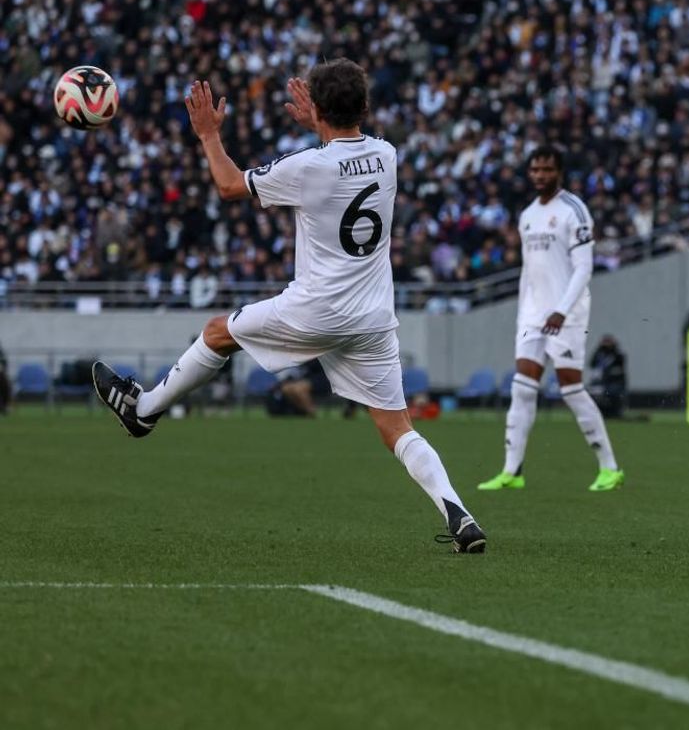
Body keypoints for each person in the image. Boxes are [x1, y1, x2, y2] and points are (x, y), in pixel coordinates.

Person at [90, 60, 485, 553]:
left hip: (316, 311)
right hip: (373, 318)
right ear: (364, 106)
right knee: (397, 427)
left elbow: (230, 184)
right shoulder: (387, 154)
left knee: (217, 332)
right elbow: (347, 155)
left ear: (317, 108)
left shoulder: (307, 166)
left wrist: (209, 134)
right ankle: (458, 512)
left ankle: (143, 410)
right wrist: (322, 124)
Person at [478, 146, 625, 492]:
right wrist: (524, 312)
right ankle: (512, 472)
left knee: (571, 388)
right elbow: (529, 271)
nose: (540, 175)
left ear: (559, 172)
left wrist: (561, 309)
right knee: (522, 388)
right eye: (535, 170)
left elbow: (584, 267)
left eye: (546, 169)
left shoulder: (574, 210)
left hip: (568, 313)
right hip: (533, 313)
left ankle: (610, 468)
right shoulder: (528, 214)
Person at [589, 334, 627, 419]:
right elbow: (592, 364)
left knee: (613, 393)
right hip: (600, 382)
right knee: (594, 393)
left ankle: (614, 412)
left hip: (614, 382)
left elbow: (619, 370)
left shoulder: (617, 355)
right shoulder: (599, 354)